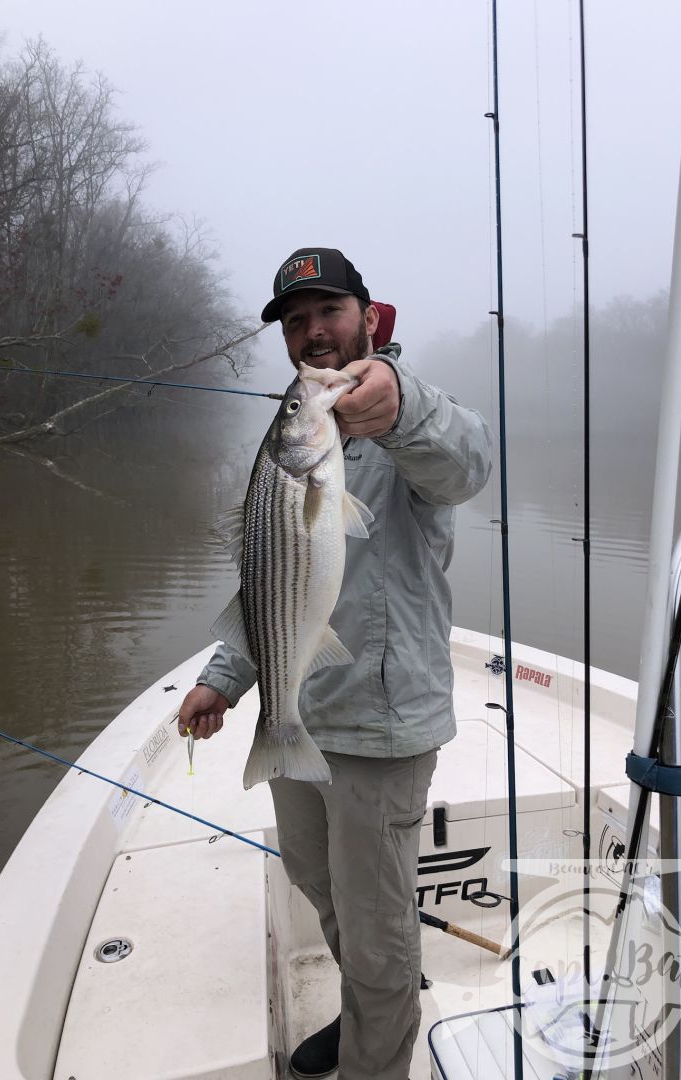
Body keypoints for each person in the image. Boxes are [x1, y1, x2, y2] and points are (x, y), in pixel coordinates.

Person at [178, 247, 492, 1080]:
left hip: (382, 729)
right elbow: (273, 581)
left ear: (367, 313)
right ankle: (368, 1015)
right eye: (296, 319)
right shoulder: (294, 439)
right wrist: (224, 676)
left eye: (329, 312)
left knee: (379, 924)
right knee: (325, 892)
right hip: (299, 712)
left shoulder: (404, 414)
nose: (314, 332)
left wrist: (398, 411)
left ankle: (377, 1061)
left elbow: (470, 465)